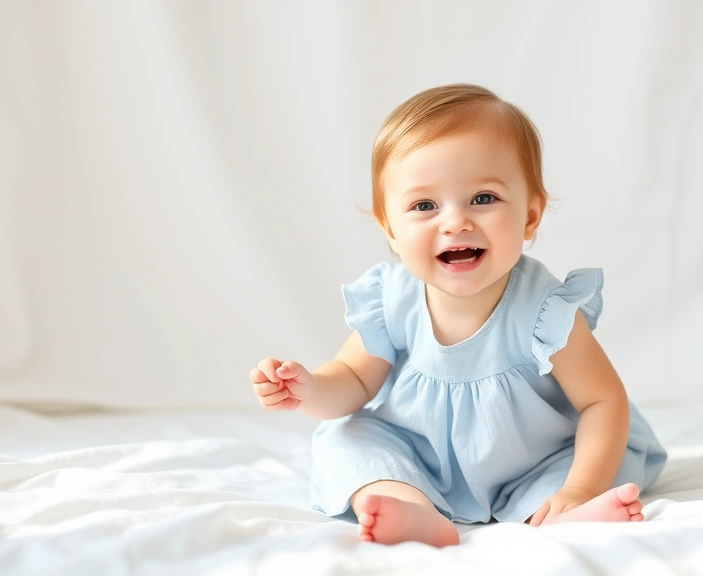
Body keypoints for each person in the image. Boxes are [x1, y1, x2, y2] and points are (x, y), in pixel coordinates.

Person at [249, 83, 666, 547]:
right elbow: (353, 380)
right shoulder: (391, 299)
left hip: (536, 459)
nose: (456, 222)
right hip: (421, 455)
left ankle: (562, 515)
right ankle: (413, 508)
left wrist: (580, 487)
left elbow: (602, 403)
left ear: (529, 217)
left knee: (590, 462)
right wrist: (308, 388)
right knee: (345, 438)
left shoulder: (546, 310)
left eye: (483, 198)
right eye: (424, 205)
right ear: (390, 229)